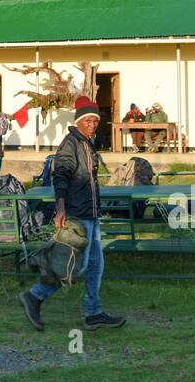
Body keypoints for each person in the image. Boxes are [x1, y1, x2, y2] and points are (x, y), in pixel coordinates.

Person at [17, 96, 126, 332]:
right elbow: (61, 175)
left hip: (91, 214)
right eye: (87, 120)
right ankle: (35, 296)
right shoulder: (71, 143)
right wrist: (61, 207)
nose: (92, 124)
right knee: (78, 266)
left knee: (96, 266)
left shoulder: (87, 142)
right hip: (78, 214)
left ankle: (93, 314)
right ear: (78, 121)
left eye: (95, 120)